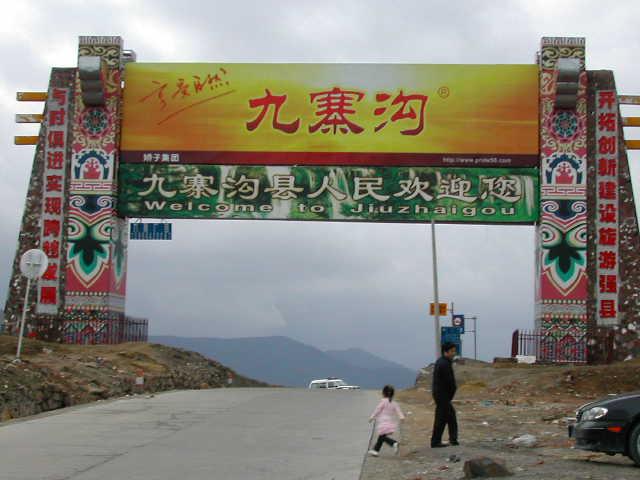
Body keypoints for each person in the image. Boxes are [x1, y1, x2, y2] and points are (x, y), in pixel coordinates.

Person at [431, 342, 459, 448]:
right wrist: (450, 395)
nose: (454, 353)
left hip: (441, 395)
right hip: (443, 395)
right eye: (452, 351)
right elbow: (449, 382)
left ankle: (452, 439)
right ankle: (436, 441)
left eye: (454, 351)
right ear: (446, 352)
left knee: (449, 416)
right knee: (442, 418)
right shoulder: (444, 364)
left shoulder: (442, 362)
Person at [367, 385, 405, 457]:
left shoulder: (383, 402)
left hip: (383, 422)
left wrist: (371, 417)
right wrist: (402, 417)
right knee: (381, 437)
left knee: (382, 437)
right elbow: (398, 411)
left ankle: (393, 443)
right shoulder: (394, 403)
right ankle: (375, 451)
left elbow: (377, 410)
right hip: (390, 422)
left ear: (383, 393)